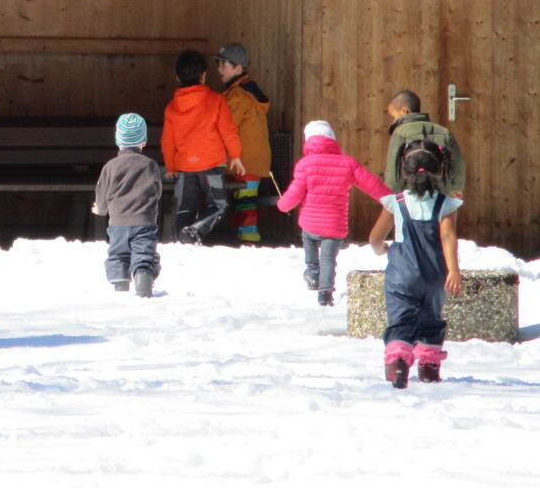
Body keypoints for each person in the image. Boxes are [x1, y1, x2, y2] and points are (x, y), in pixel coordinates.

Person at [368, 140, 462, 389]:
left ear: (404, 171)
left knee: (401, 319)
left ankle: (398, 364)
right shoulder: (446, 204)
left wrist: (380, 248)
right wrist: (453, 270)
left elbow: (376, 237)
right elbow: (447, 236)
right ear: (440, 170)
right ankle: (429, 368)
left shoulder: (396, 202)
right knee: (431, 319)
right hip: (435, 276)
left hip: (402, 274)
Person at [276, 120, 390, 307]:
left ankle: (313, 271)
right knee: (328, 258)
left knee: (309, 240)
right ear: (332, 140)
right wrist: (392, 199)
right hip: (335, 225)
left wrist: (283, 205)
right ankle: (325, 294)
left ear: (309, 141)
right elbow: (372, 185)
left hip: (310, 223)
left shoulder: (305, 164)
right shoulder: (348, 163)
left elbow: (295, 193)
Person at [161, 49, 245, 244]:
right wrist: (236, 155)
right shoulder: (216, 101)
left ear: (177, 77)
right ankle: (194, 231)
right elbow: (228, 131)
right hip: (211, 166)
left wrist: (171, 166)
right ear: (204, 75)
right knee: (218, 205)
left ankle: (181, 245)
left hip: (184, 168)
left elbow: (167, 141)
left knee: (185, 207)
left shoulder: (172, 107)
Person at [92, 113, 163, 298]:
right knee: (144, 254)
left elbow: (102, 190)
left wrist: (100, 209)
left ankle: (120, 290)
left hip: (118, 222)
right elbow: (158, 190)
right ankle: (143, 287)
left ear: (118, 141)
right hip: (145, 221)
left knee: (118, 255)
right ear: (143, 142)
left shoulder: (111, 166)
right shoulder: (151, 165)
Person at [214, 42, 271, 243]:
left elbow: (224, 126)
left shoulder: (238, 96)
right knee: (243, 203)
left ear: (238, 68)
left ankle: (250, 242)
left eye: (223, 65)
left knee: (245, 206)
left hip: (246, 162)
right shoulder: (242, 91)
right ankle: (247, 239)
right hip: (251, 161)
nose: (219, 70)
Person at [384, 90, 465, 197]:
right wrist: (455, 189)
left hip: (410, 195)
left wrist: (389, 194)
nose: (393, 120)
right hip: (440, 194)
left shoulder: (400, 133)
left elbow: (394, 170)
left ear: (404, 111)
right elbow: (458, 164)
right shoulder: (444, 132)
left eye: (393, 116)